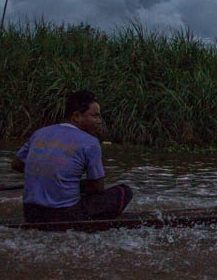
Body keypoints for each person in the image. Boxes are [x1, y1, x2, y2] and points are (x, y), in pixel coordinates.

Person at [11, 90, 134, 223]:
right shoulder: (90, 143)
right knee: (124, 191)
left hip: (30, 213)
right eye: (95, 116)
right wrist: (71, 183)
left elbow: (16, 164)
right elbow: (97, 187)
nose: (99, 121)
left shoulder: (39, 133)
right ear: (76, 116)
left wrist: (46, 176)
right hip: (64, 215)